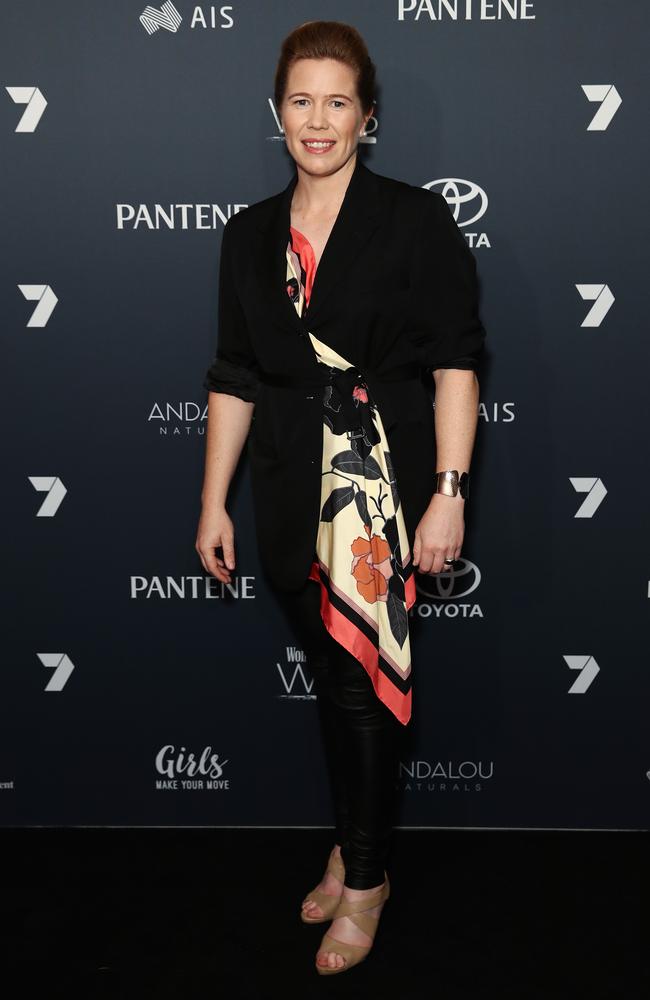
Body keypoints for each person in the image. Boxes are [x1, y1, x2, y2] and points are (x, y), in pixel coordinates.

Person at [196, 20, 486, 975]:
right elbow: (234, 374)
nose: (316, 121)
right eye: (299, 100)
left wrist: (448, 492)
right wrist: (214, 502)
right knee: (335, 682)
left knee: (363, 691)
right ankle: (354, 844)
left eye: (337, 102)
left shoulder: (414, 220)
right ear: (276, 111)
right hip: (285, 489)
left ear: (368, 118)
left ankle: (366, 880)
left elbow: (454, 362)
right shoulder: (246, 236)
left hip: (385, 493)